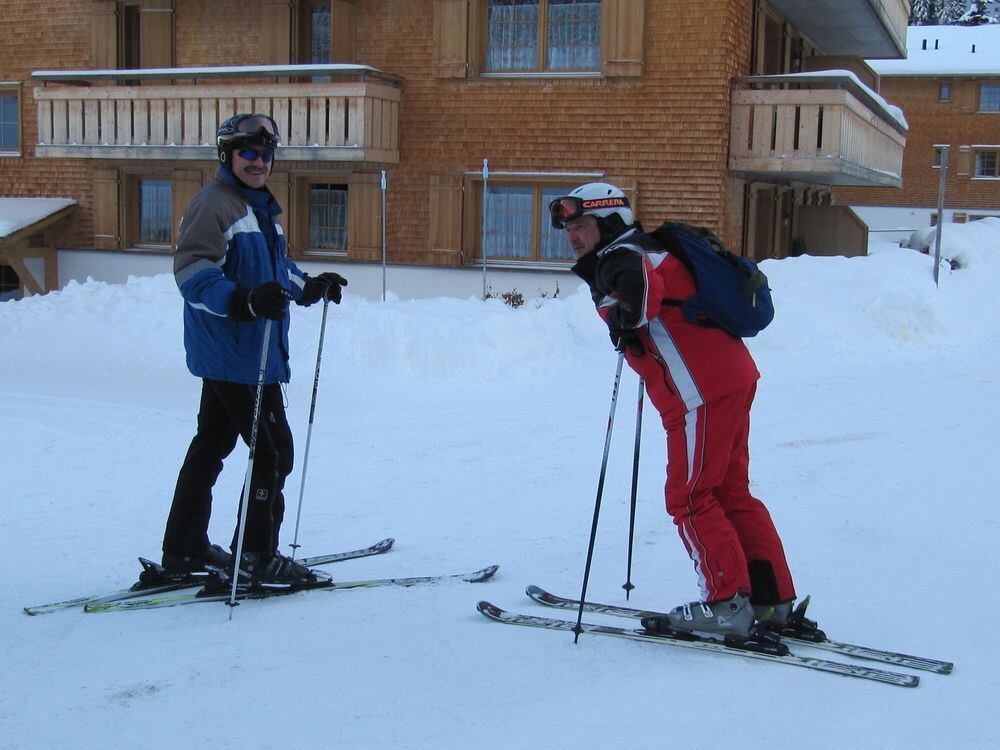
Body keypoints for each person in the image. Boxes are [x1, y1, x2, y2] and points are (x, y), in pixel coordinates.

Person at [550, 182, 797, 638]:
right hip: (729, 379)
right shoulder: (648, 250)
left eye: (581, 226)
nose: (573, 236)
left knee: (689, 497)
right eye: (569, 228)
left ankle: (727, 603)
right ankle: (771, 600)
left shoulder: (624, 257)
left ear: (608, 224)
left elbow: (641, 299)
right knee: (728, 493)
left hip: (698, 393)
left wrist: (626, 318)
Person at [160, 113, 347, 586]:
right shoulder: (215, 205)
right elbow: (192, 273)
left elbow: (276, 271)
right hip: (238, 353)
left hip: (244, 352)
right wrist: (242, 301)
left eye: (266, 153)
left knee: (213, 444)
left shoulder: (258, 208)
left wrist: (311, 287)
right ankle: (257, 555)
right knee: (273, 452)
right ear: (228, 155)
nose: (259, 161)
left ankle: (185, 548)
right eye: (248, 152)